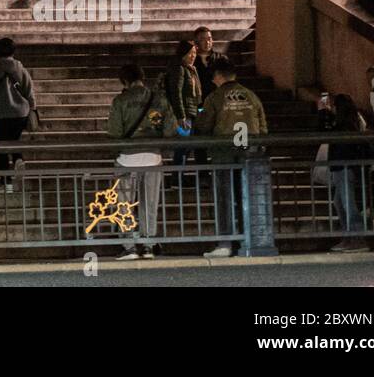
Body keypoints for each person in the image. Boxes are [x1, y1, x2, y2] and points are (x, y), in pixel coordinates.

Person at [194, 57, 268, 258]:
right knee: (249, 197)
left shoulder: (216, 97)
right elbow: (262, 128)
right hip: (251, 155)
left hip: (223, 154)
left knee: (224, 199)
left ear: (218, 76)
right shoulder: (252, 96)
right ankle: (252, 239)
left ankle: (225, 243)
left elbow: (203, 125)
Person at [106, 64, 173, 260]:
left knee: (124, 203)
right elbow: (170, 130)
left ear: (124, 81)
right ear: (143, 77)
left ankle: (129, 246)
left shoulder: (120, 100)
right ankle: (148, 244)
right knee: (150, 202)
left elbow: (114, 132)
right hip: (153, 157)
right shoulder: (158, 99)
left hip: (127, 158)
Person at [0, 37, 35, 191]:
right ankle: (18, 158)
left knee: (1, 147)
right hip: (20, 112)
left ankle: (6, 183)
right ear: (13, 51)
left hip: (0, 114)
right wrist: (33, 108)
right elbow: (29, 90)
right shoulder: (20, 68)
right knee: (15, 139)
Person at [320, 93, 371, 252]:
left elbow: (325, 132)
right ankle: (349, 237)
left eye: (334, 106)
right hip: (343, 166)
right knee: (340, 202)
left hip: (345, 166)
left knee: (347, 203)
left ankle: (357, 238)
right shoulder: (352, 121)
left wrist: (323, 112)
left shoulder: (345, 125)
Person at [163, 39, 200, 170]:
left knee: (186, 147)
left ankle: (179, 177)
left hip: (191, 112)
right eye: (190, 53)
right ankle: (177, 178)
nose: (193, 55)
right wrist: (181, 115)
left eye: (195, 52)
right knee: (182, 147)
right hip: (184, 115)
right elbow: (176, 92)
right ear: (182, 54)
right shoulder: (179, 69)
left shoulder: (191, 70)